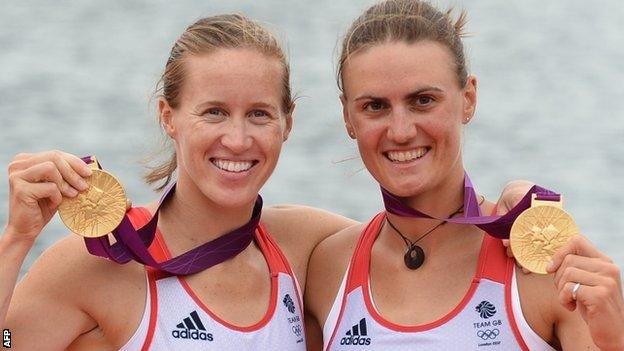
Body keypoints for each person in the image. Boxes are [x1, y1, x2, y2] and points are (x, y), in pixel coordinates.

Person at [0, 11, 538, 351]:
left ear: (288, 123)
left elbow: (430, 233)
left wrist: (515, 209)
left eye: (258, 114)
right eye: (213, 112)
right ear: (168, 116)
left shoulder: (304, 247)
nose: (237, 140)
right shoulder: (95, 264)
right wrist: (15, 241)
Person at [305, 1, 624, 350]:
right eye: (375, 106)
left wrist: (614, 338)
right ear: (348, 117)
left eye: (423, 100)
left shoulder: (543, 267)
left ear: (468, 98)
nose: (400, 131)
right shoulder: (325, 270)